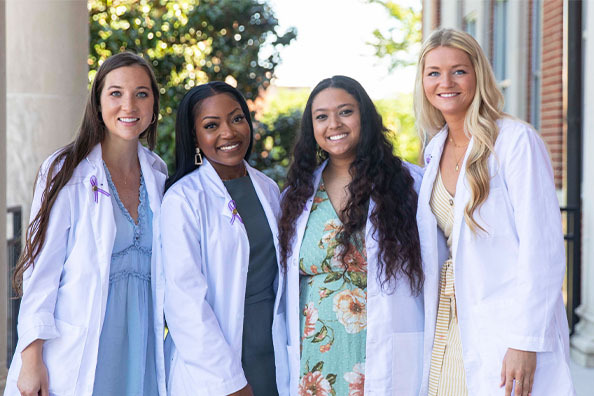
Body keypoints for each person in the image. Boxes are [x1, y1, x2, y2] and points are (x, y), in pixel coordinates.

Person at [414, 28, 576, 396]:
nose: (446, 82)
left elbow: (544, 249)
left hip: (508, 327)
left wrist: (525, 341)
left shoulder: (516, 141)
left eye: (459, 70)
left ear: (478, 75)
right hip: (449, 323)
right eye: (433, 72)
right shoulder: (434, 149)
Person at [5, 52, 168, 396]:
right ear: (97, 102)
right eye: (116, 93)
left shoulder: (159, 174)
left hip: (142, 346)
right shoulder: (66, 169)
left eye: (141, 93)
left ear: (154, 103)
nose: (129, 105)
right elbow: (41, 269)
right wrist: (31, 356)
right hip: (78, 348)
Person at [278, 75, 425, 396]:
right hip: (315, 358)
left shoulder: (410, 185)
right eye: (321, 117)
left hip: (382, 353)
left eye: (345, 112)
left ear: (365, 117)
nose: (334, 124)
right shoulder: (295, 197)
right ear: (311, 128)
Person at [160, 82, 289, 396]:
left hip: (272, 355)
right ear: (195, 136)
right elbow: (184, 302)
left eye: (237, 119)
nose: (229, 133)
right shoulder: (183, 199)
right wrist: (227, 382)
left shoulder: (268, 188)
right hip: (215, 368)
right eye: (211, 125)